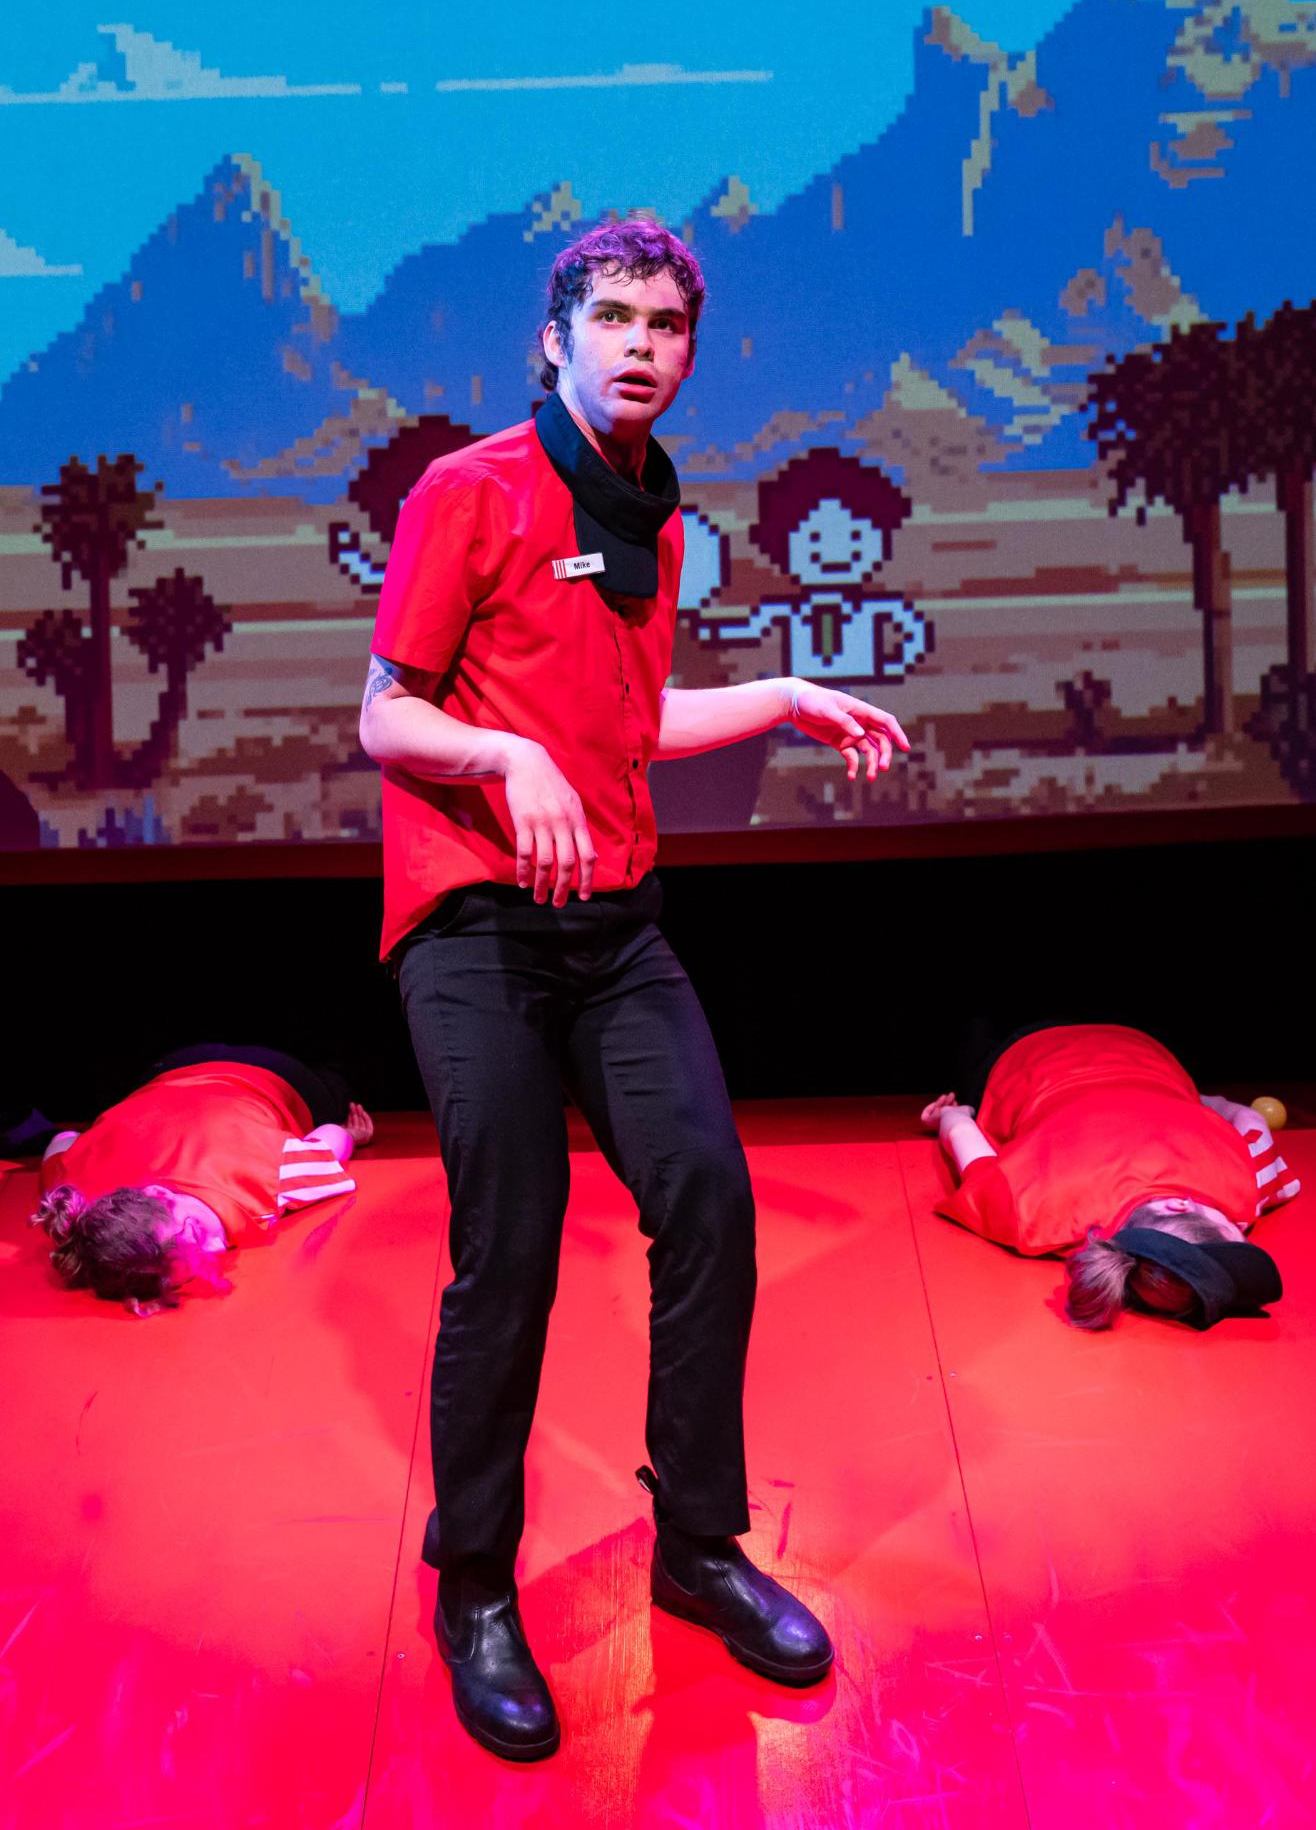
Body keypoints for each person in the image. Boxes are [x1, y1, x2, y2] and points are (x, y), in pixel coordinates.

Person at [358, 218, 910, 1761]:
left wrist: (784, 694)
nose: (641, 346)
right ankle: (477, 1586)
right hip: (475, 923)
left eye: (666, 325)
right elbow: (388, 719)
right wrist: (503, 757)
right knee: (513, 1241)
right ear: (554, 339)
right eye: (613, 318)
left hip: (610, 928)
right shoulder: (470, 492)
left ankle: (698, 1546)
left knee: (709, 1197)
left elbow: (625, 718)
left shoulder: (652, 515)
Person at [920, 1023, 1297, 1330]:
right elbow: (962, 1133)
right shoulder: (1034, 1217)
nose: (1241, 1224)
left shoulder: (1250, 1182)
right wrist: (949, 1115)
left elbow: (1247, 1118)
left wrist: (1195, 1099)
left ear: (1179, 1206)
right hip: (1022, 1055)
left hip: (1132, 1044)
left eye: (1234, 1231)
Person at [31, 1044, 372, 1317]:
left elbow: (330, 1137)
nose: (215, 1249)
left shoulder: (270, 1182)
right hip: (167, 1069)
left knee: (334, 1081)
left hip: (269, 1070)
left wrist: (351, 1135)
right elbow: (64, 1139)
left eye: (195, 1231)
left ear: (159, 1195)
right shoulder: (74, 1190)